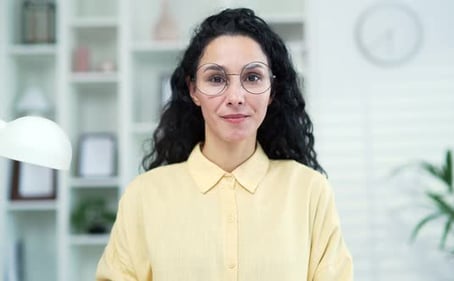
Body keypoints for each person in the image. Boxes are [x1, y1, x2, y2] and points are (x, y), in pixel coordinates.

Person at [96, 8, 353, 281]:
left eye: (252, 77)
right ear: (194, 90)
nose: (236, 96)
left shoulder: (309, 190)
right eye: (216, 79)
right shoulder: (144, 195)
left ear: (272, 91)